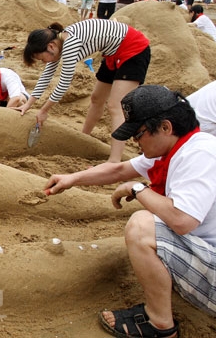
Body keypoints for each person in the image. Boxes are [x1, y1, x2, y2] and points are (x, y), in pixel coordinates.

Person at [45, 85, 216, 338]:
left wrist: (137, 189)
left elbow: (182, 220)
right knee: (153, 216)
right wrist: (71, 178)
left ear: (166, 127)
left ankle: (160, 326)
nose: (135, 142)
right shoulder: (175, 147)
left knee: (142, 226)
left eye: (138, 134)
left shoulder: (200, 153)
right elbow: (120, 170)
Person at [20, 19, 151, 162]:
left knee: (116, 106)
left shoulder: (70, 43)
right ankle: (84, 138)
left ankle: (114, 160)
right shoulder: (59, 42)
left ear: (50, 46)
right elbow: (47, 75)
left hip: (133, 49)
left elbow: (64, 84)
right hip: (112, 53)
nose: (44, 62)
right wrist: (28, 104)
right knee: (96, 99)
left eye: (41, 59)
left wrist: (44, 111)